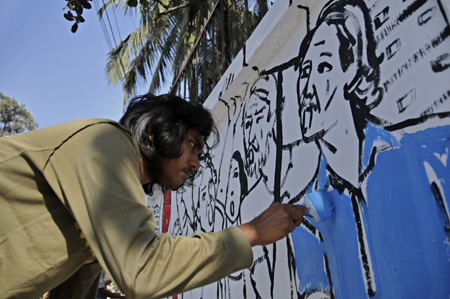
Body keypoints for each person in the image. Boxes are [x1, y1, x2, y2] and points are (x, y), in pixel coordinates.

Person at [0, 93, 307, 298]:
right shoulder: (104, 141)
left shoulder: (105, 204)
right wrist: (250, 233)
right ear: (153, 133)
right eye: (192, 144)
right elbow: (142, 268)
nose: (196, 163)